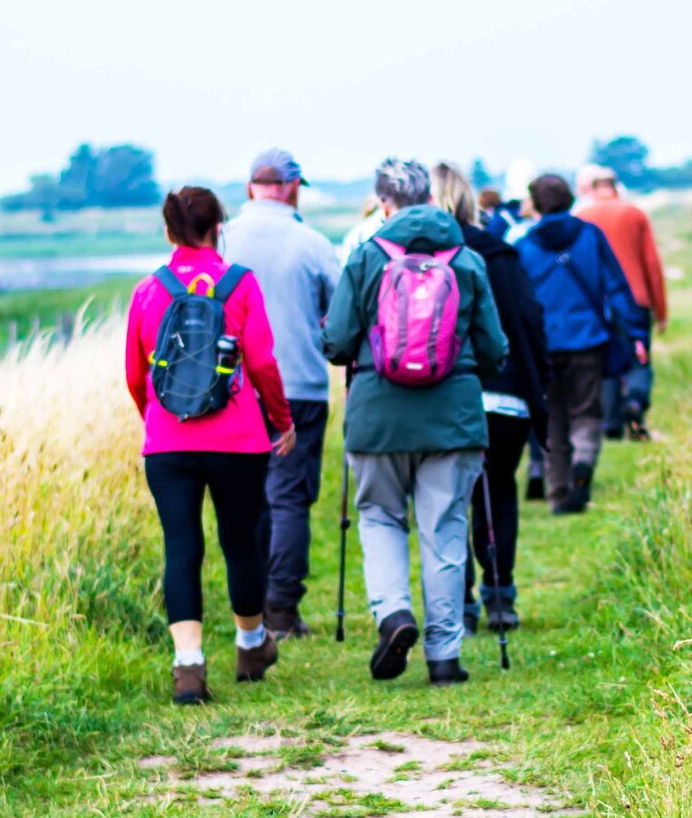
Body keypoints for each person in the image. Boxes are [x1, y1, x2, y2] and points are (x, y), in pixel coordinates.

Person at [322, 158, 508, 686]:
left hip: (377, 418)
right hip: (453, 420)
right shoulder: (466, 259)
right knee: (445, 528)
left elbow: (335, 342)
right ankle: (444, 656)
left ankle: (394, 614)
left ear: (384, 203)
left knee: (380, 518)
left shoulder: (365, 258)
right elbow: (494, 348)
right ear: (430, 197)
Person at [125, 187, 296, 705]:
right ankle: (249, 647)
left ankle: (189, 669)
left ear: (169, 231)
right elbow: (263, 362)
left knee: (182, 547)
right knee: (239, 540)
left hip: (168, 442)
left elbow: (136, 376)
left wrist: (158, 423)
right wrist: (281, 421)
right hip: (238, 439)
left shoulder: (148, 291)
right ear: (220, 227)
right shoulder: (241, 284)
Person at [221, 149, 341, 639]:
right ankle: (282, 609)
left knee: (248, 499)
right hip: (300, 386)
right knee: (290, 496)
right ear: (291, 187)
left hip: (232, 388)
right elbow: (339, 313)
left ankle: (249, 605)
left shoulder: (223, 241)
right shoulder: (312, 243)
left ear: (251, 187)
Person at [431, 163, 550, 635]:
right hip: (505, 394)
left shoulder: (423, 259)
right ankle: (500, 595)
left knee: (446, 500)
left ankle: (458, 600)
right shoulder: (502, 254)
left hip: (441, 397)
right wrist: (540, 384)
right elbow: (531, 320)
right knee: (498, 488)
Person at [516, 175, 647, 515]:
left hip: (544, 345)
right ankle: (584, 460)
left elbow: (520, 303)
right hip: (588, 339)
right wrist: (635, 334)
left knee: (553, 418)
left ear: (536, 204)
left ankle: (559, 494)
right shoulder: (590, 236)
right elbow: (616, 288)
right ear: (569, 198)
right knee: (586, 411)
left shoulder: (526, 246)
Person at [575, 164, 667, 440]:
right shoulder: (634, 213)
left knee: (607, 362)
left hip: (598, 301)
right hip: (635, 300)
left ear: (593, 189)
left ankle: (611, 423)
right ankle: (635, 402)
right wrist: (661, 310)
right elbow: (652, 264)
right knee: (639, 358)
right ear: (616, 186)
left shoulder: (582, 215)